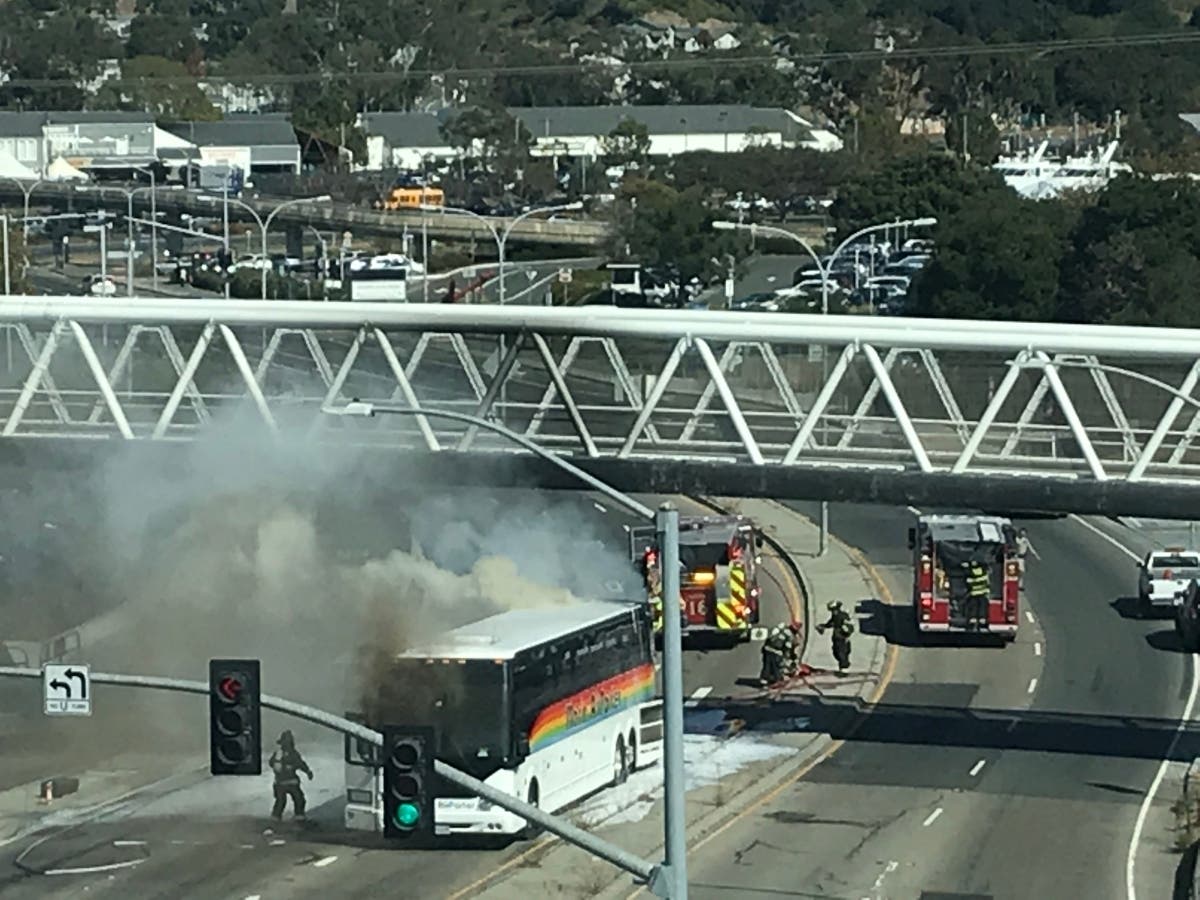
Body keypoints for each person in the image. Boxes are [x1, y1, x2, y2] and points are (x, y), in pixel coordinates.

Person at [269, 730, 314, 821]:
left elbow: (271, 763)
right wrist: (308, 772)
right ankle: (299, 816)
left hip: (279, 783)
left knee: (280, 801)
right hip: (292, 782)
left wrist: (282, 767)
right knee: (299, 799)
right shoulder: (293, 753)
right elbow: (301, 764)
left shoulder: (277, 753)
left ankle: (275, 817)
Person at [816, 601, 854, 674]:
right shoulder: (834, 616)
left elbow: (849, 626)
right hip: (836, 637)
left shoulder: (843, 616)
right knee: (836, 652)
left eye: (834, 610)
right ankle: (842, 667)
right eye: (832, 610)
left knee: (842, 652)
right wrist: (823, 626)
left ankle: (844, 669)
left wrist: (846, 633)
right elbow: (830, 623)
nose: (833, 612)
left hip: (842, 637)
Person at [759, 621, 797, 685]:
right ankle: (776, 681)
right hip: (776, 652)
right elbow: (787, 648)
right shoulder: (789, 635)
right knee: (776, 667)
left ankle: (764, 680)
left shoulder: (780, 628)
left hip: (767, 649)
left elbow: (769, 637)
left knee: (767, 665)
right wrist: (790, 656)